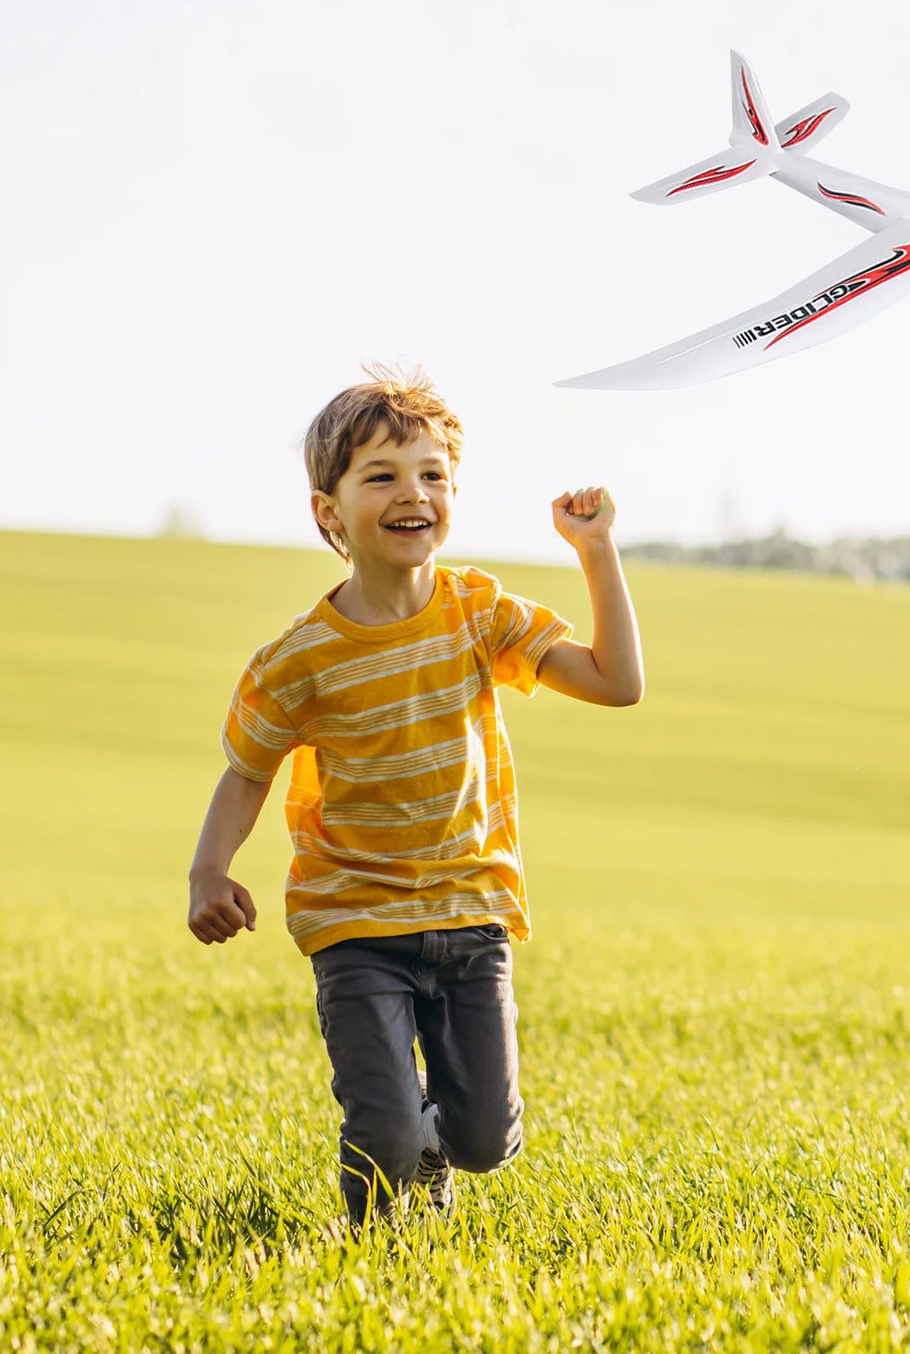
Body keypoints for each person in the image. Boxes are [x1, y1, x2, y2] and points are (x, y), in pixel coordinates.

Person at [185, 363, 643, 1227]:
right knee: (384, 1134)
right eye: (383, 475)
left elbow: (618, 683)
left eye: (433, 474)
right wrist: (209, 870)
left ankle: (437, 1145)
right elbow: (247, 769)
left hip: (471, 912)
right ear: (330, 511)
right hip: (355, 919)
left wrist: (596, 551)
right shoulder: (298, 659)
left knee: (482, 1142)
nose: (414, 493)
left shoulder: (479, 611)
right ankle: (378, 1258)